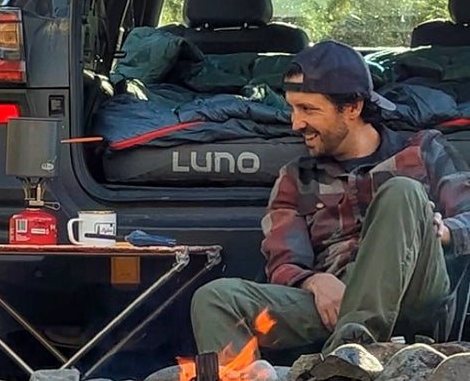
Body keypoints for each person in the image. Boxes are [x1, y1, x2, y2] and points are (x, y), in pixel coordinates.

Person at [191, 39, 470, 356]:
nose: (296, 123)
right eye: (293, 108)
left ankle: (349, 357)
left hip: (414, 296)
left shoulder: (421, 150)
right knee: (215, 298)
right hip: (332, 304)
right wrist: (314, 282)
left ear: (352, 107)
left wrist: (444, 232)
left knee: (402, 190)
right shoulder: (296, 177)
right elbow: (284, 262)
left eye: (308, 109)